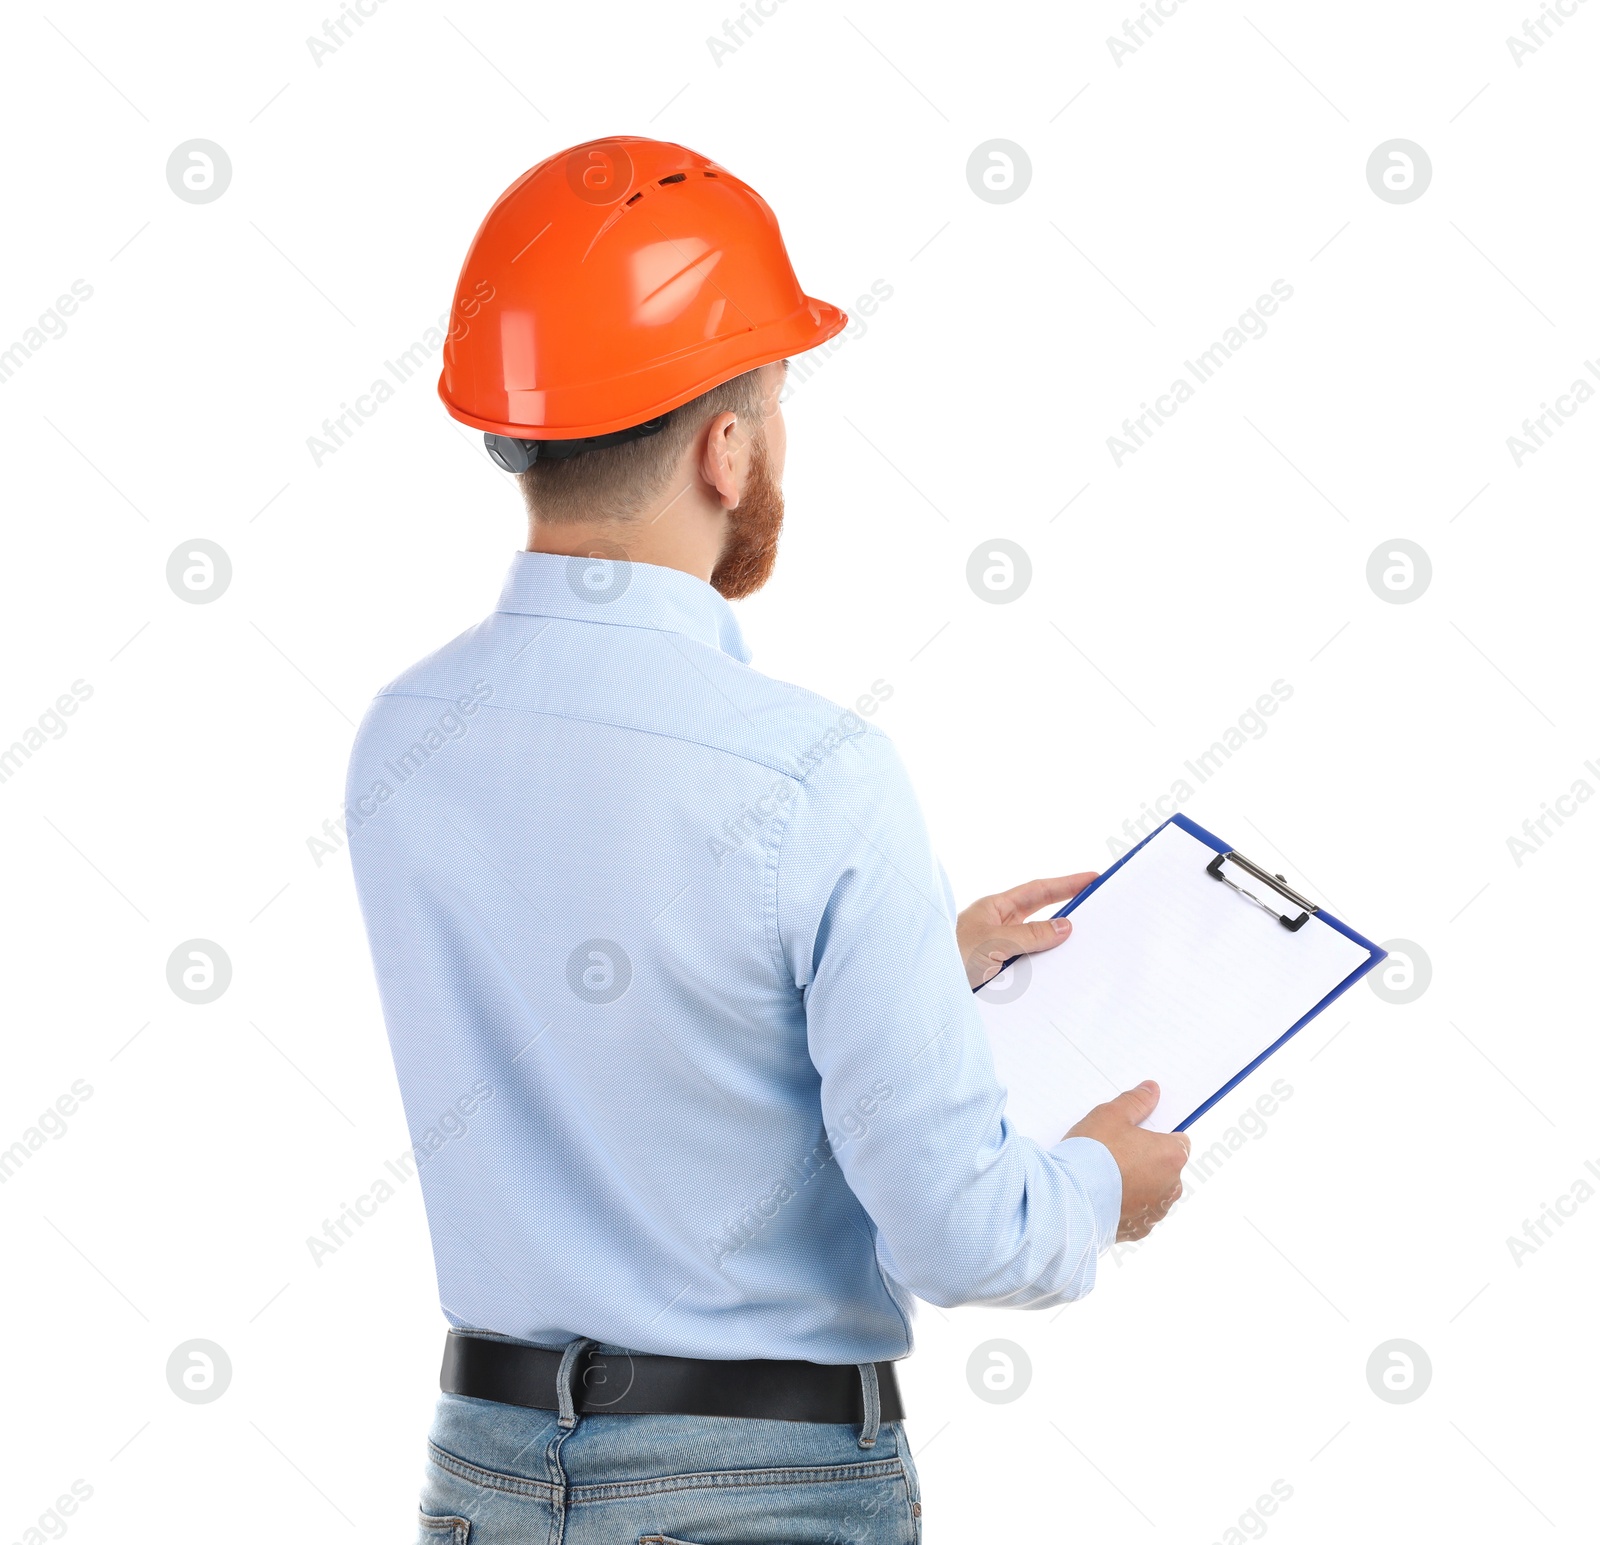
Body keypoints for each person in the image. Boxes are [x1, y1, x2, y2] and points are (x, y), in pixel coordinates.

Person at [346, 136, 1189, 1545]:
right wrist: (1105, 1181)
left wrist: (915, 961)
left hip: (483, 1479)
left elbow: (600, 1002)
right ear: (724, 449)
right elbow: (963, 1232)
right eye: (775, 407)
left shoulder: (402, 740)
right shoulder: (810, 775)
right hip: (756, 1490)